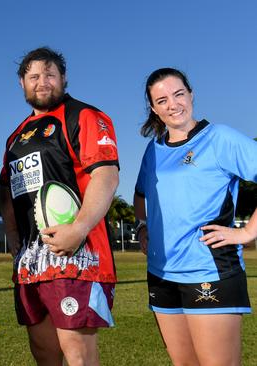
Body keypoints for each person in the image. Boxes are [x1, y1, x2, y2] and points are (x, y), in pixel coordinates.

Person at [0, 47, 119, 365]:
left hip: (77, 259)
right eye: (33, 76)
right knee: (43, 352)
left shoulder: (84, 116)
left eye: (49, 74)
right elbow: (6, 191)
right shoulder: (15, 136)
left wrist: (78, 229)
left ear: (63, 79)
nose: (42, 82)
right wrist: (12, 239)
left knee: (77, 353)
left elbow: (106, 176)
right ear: (22, 84)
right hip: (31, 264)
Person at [134, 67, 257, 366]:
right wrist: (142, 225)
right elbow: (140, 194)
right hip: (161, 274)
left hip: (208, 269)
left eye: (178, 94)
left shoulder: (219, 138)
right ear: (153, 108)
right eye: (161, 100)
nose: (172, 104)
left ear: (191, 94)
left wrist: (246, 233)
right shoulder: (154, 150)